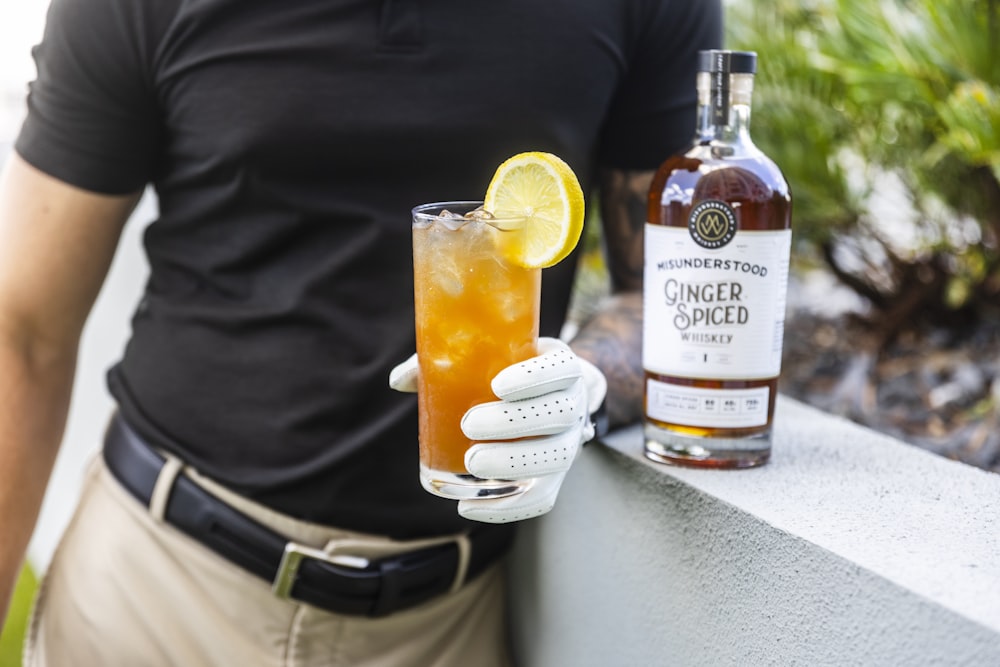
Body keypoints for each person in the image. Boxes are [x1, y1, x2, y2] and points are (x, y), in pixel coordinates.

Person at [0, 0, 721, 664]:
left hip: (450, 622)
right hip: (158, 595)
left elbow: (667, 290)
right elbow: (22, 331)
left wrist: (584, 383)